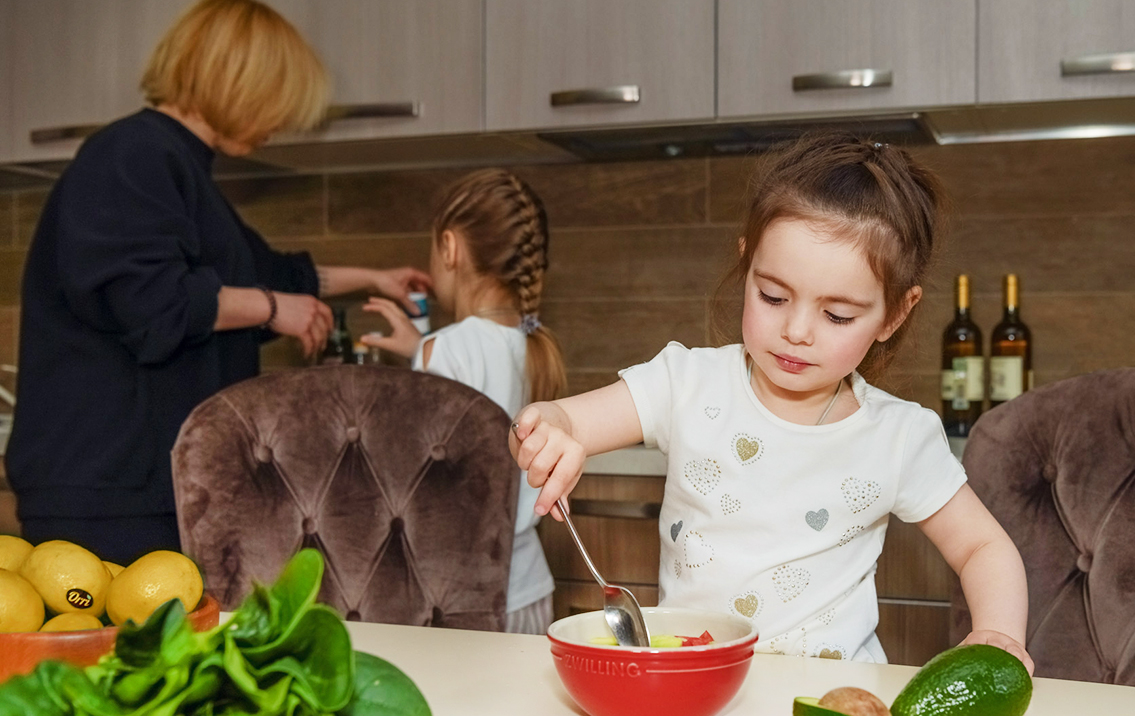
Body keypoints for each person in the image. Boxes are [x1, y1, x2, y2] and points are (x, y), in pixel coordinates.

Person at [510, 133, 1034, 671]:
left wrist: (997, 634)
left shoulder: (898, 437)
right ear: (747, 267)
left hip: (832, 707)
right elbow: (562, 420)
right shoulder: (688, 383)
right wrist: (547, 431)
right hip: (697, 692)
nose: (797, 331)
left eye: (837, 316)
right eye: (773, 297)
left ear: (895, 314)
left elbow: (983, 548)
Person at [6, 0, 430, 566]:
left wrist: (373, 279)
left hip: (147, 485)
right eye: (278, 99)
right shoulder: (131, 155)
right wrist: (274, 308)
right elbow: (155, 303)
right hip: (105, 489)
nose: (280, 123)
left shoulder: (178, 166)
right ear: (240, 82)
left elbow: (272, 276)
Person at [361, 169, 565, 635]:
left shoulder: (447, 349)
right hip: (530, 590)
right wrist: (422, 347)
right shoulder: (534, 344)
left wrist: (426, 351)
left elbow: (425, 484)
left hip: (466, 598)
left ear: (450, 248)